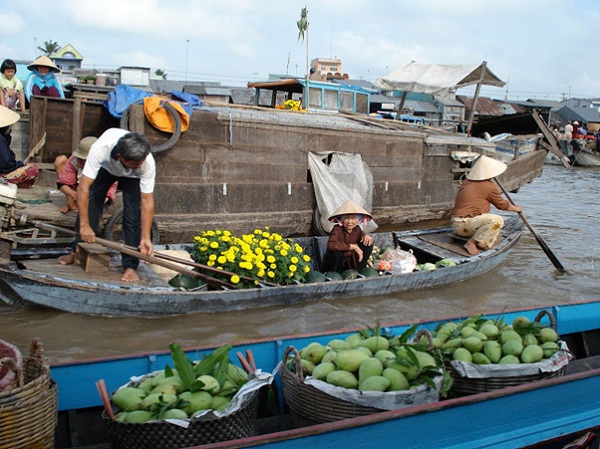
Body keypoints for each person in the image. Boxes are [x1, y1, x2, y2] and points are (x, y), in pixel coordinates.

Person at [57, 128, 155, 282]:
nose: (140, 165)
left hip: (132, 178)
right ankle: (77, 250)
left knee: (133, 214)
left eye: (141, 162)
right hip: (105, 168)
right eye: (135, 163)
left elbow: (147, 201)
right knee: (92, 203)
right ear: (119, 156)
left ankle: (130, 266)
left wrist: (145, 238)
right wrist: (84, 225)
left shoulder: (146, 162)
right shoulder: (100, 149)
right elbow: (83, 188)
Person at [451, 155, 522, 256]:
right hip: (464, 226)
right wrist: (516, 208)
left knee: (493, 230)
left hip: (457, 224)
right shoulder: (488, 186)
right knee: (497, 221)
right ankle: (472, 242)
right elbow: (502, 205)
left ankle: (481, 242)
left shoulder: (467, 182)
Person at [54, 136, 118, 213]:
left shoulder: (106, 161)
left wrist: (103, 199)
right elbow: (63, 183)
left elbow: (112, 186)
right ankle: (71, 204)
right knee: (60, 160)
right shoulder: (75, 160)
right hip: (80, 188)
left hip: (97, 191)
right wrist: (74, 195)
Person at [321, 200, 374, 273]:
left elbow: (363, 238)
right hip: (336, 265)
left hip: (350, 263)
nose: (349, 222)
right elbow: (331, 245)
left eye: (353, 218)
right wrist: (353, 247)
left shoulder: (357, 229)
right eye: (346, 218)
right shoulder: (337, 229)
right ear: (342, 220)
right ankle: (333, 275)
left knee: (367, 244)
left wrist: (367, 236)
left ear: (357, 220)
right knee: (337, 254)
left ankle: (360, 270)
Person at [0, 105, 39, 187]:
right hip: (2, 172)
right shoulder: (1, 139)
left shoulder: (4, 138)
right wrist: (21, 165)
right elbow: (6, 163)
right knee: (33, 170)